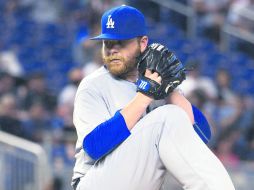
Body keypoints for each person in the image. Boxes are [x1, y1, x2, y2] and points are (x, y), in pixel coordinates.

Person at [71, 5, 235, 190]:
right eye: (107, 43)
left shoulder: (155, 82)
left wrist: (170, 90)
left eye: (121, 42)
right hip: (96, 181)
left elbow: (202, 136)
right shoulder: (93, 85)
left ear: (143, 43)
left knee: (172, 114)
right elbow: (94, 147)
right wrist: (145, 96)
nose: (112, 50)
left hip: (140, 181)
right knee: (167, 116)